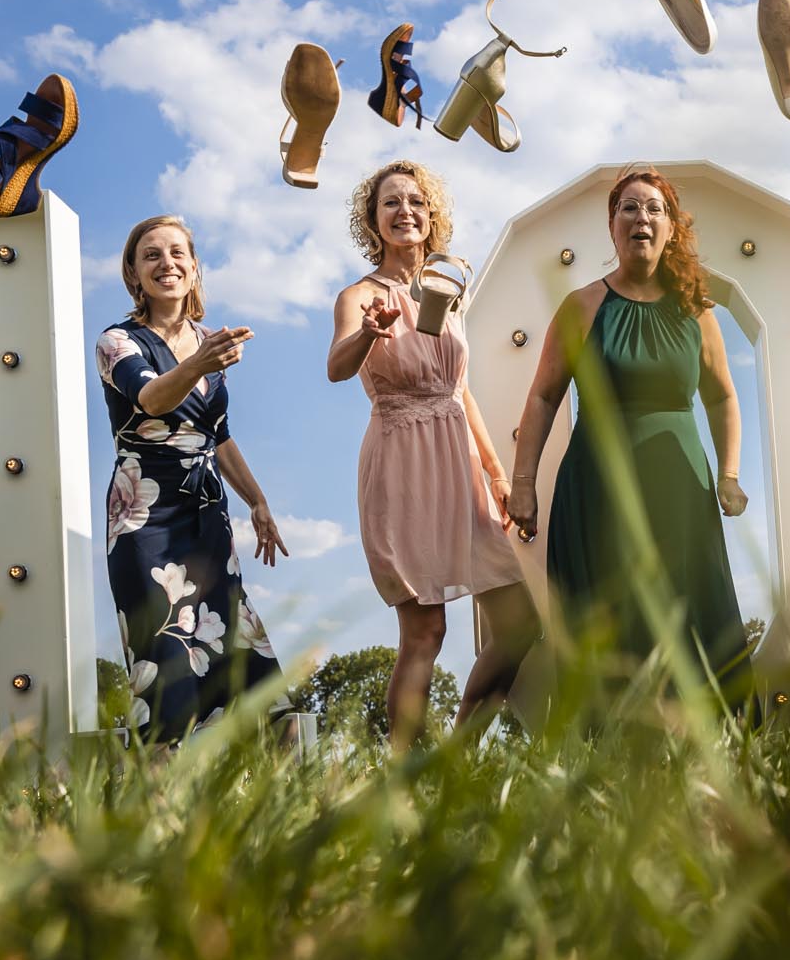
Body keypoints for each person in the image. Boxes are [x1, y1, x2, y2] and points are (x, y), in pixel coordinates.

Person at [507, 167, 753, 702]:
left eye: (654, 209)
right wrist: (522, 482)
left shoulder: (697, 309)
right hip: (597, 488)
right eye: (630, 208)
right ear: (612, 225)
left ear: (670, 229)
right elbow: (544, 396)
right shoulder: (582, 305)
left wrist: (730, 474)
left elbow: (723, 396)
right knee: (606, 615)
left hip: (680, 485)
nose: (642, 218)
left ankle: (704, 751)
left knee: (688, 607)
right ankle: (610, 757)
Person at [327, 160, 540, 745]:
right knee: (425, 632)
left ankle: (453, 759)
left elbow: (460, 390)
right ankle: (404, 779)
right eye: (391, 203)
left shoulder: (449, 292)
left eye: (416, 202)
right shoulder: (359, 295)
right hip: (401, 461)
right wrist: (370, 332)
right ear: (372, 220)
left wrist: (497, 475)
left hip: (460, 461)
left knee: (519, 624)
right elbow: (336, 368)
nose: (405, 212)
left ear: (431, 215)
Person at [97, 215, 286, 740]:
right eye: (151, 255)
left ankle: (277, 810)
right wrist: (199, 364)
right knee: (166, 671)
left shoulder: (208, 343)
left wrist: (258, 501)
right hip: (145, 521)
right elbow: (151, 398)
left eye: (178, 252)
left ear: (194, 267)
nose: (167, 263)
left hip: (208, 524)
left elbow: (218, 433)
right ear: (134, 274)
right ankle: (154, 813)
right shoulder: (118, 342)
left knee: (255, 679)